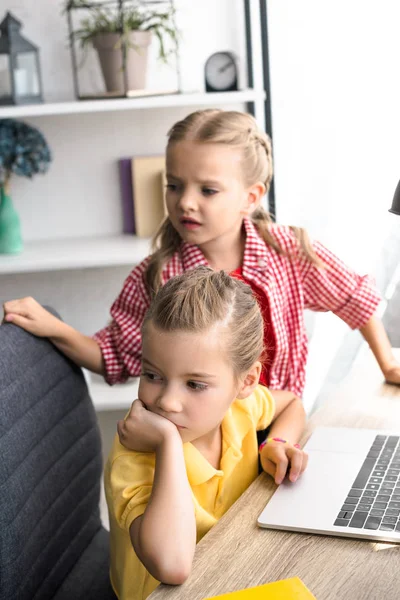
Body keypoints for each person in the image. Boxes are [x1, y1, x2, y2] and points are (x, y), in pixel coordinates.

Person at [3, 109, 400, 399]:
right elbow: (114, 357)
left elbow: (354, 298)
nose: (185, 202)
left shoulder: (287, 252)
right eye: (174, 185)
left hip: (276, 432)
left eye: (207, 190)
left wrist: (387, 364)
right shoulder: (157, 276)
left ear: (251, 196)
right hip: (196, 454)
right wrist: (54, 327)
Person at [105, 266, 307, 600]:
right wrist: (168, 443)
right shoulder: (136, 451)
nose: (167, 402)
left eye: (195, 384)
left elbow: (292, 405)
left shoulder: (239, 407)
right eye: (152, 375)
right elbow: (172, 566)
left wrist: (277, 442)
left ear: (246, 382)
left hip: (231, 569)